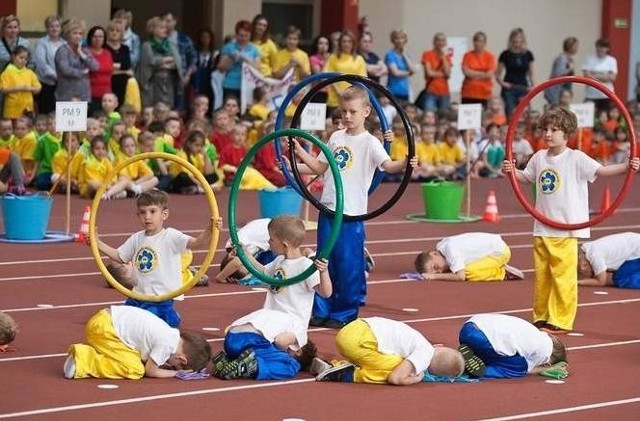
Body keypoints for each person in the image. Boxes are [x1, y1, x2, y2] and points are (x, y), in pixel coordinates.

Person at [503, 107, 640, 334]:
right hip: (542, 227)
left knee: (563, 276)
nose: (548, 134)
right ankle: (542, 316)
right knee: (543, 275)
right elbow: (525, 178)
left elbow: (602, 171)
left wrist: (627, 167)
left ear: (566, 133)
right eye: (545, 129)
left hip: (565, 229)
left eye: (554, 130)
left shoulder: (576, 158)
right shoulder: (538, 157)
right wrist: (511, 170)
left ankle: (561, 320)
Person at [290, 85, 416, 328]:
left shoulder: (370, 142)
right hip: (328, 209)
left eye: (353, 111)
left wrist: (406, 163)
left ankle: (343, 312)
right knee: (324, 261)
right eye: (344, 111)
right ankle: (321, 308)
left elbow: (387, 166)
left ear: (366, 111)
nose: (347, 116)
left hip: (351, 214)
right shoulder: (336, 137)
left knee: (348, 265)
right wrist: (296, 156)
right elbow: (320, 167)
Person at [94, 189, 217, 327]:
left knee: (147, 321)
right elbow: (120, 256)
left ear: (164, 214)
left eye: (152, 211)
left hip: (161, 298)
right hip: (138, 296)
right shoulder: (136, 238)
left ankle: (170, 317)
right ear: (138, 215)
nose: (147, 217)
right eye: (142, 212)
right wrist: (97, 243)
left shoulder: (171, 236)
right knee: (119, 321)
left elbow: (197, 243)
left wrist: (210, 229)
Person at [63, 305, 212, 379]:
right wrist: (175, 373)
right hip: (104, 329)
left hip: (104, 321)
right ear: (181, 359)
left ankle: (98, 351)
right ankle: (83, 359)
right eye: (175, 365)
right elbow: (151, 371)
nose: (169, 364)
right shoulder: (167, 345)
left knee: (136, 356)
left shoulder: (171, 333)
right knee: (136, 369)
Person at [314, 316, 464, 384]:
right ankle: (346, 374)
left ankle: (334, 365)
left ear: (439, 346)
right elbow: (395, 378)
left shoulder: (420, 341)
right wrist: (414, 378)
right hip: (357, 342)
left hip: (354, 327)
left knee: (389, 356)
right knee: (396, 366)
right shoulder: (424, 356)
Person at [212, 308, 317, 380]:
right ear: (298, 351)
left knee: (264, 352)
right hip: (252, 339)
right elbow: (281, 341)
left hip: (230, 338)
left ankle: (230, 360)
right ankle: (251, 366)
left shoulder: (281, 316)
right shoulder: (301, 336)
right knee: (292, 366)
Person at [458, 313, 567, 378]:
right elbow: (527, 370)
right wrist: (542, 369)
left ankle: (475, 354)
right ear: (548, 362)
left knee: (508, 352)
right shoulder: (545, 352)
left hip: (468, 327)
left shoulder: (535, 331)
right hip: (481, 339)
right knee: (518, 368)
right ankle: (469, 369)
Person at [414, 233, 523, 282]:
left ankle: (502, 274)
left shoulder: (450, 251)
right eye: (435, 272)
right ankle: (495, 267)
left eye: (435, 267)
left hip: (499, 252)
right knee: (462, 268)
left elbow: (460, 277)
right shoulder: (442, 246)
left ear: (434, 254)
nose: (438, 271)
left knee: (468, 273)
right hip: (495, 247)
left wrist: (434, 277)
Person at [55, 18, 99, 102]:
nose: (78, 36)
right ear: (68, 34)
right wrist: (82, 72)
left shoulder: (84, 50)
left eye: (80, 33)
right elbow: (66, 70)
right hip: (66, 96)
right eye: (74, 33)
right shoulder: (62, 51)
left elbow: (95, 66)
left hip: (84, 95)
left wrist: (81, 54)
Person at [217, 217, 272, 284]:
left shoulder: (242, 246)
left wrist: (221, 277)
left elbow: (237, 262)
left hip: (275, 230)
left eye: (245, 265)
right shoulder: (230, 244)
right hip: (266, 224)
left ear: (232, 255)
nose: (249, 266)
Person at [495, 28, 534, 119]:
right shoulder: (505, 54)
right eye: (515, 37)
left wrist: (532, 86)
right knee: (510, 113)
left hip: (523, 87)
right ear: (511, 39)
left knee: (524, 112)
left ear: (523, 39)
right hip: (510, 88)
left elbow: (531, 73)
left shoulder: (528, 54)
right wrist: (503, 83)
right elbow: (497, 74)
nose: (517, 39)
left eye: (519, 37)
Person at [33, 15, 64, 114]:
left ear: (61, 28)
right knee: (46, 113)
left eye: (57, 26)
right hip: (46, 84)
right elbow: (41, 64)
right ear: (47, 28)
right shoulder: (41, 43)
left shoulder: (65, 43)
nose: (54, 29)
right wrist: (56, 76)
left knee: (59, 114)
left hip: (62, 85)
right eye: (51, 26)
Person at [0, 46, 41, 119]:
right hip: (12, 110)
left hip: (27, 109)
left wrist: (31, 89)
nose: (23, 61)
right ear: (13, 57)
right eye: (21, 58)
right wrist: (19, 88)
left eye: (26, 59)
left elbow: (38, 88)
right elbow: (3, 89)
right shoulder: (7, 72)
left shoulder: (29, 72)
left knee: (27, 128)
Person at [460, 31, 496, 107]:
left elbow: (489, 74)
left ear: (484, 43)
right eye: (476, 41)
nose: (478, 43)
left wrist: (473, 73)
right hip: (468, 93)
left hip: (484, 93)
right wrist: (483, 73)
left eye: (480, 41)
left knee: (482, 117)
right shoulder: (467, 55)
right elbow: (466, 72)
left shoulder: (489, 57)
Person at [582, 38, 618, 114]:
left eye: (603, 47)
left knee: (605, 117)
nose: (601, 49)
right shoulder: (590, 58)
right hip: (591, 94)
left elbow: (612, 77)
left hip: (606, 94)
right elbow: (586, 75)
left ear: (607, 48)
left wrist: (594, 75)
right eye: (599, 47)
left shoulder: (611, 60)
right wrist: (604, 76)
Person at [421, 32, 451, 112]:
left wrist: (443, 57)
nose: (440, 42)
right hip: (431, 91)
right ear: (434, 42)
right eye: (438, 40)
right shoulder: (427, 54)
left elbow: (448, 73)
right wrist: (442, 74)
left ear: (445, 43)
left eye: (442, 40)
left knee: (443, 118)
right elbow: (429, 73)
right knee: (428, 115)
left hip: (444, 92)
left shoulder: (447, 57)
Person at [384, 29, 415, 106]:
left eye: (402, 38)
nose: (400, 41)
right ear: (393, 40)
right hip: (394, 91)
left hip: (405, 91)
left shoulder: (406, 55)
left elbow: (412, 69)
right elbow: (396, 73)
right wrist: (408, 73)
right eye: (397, 38)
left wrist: (404, 54)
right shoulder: (390, 54)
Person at [544, 37, 578, 105]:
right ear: (570, 46)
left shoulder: (570, 59)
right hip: (556, 91)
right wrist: (570, 69)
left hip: (564, 90)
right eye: (576, 46)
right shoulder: (562, 58)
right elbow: (559, 73)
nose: (577, 48)